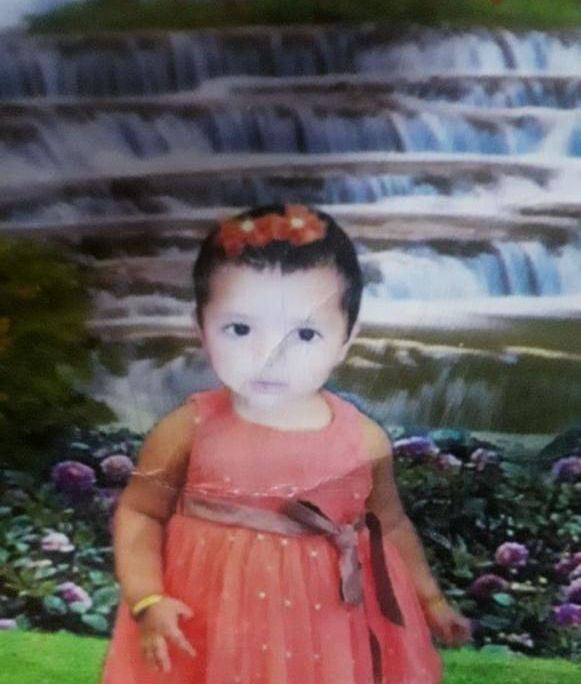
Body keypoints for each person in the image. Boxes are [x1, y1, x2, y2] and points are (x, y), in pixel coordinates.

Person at [100, 202, 472, 684]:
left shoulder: (363, 439)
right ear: (201, 328)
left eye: (305, 333)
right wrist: (147, 597)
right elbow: (141, 512)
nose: (269, 355)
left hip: (323, 629)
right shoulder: (189, 429)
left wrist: (430, 599)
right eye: (240, 329)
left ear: (346, 339)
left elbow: (390, 527)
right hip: (210, 621)